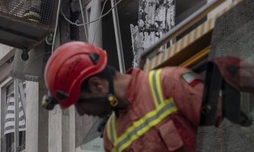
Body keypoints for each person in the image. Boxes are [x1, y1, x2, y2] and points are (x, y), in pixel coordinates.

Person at [42, 41, 204, 152]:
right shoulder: (111, 137)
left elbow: (223, 130)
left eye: (79, 103)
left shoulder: (169, 83)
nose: (81, 112)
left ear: (96, 85)